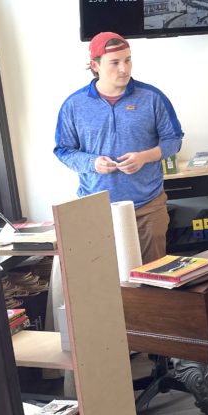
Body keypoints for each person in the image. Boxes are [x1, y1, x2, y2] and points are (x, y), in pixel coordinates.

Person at [55, 32, 183, 263]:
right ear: (95, 65)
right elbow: (63, 150)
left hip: (147, 207)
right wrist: (92, 163)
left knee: (154, 282)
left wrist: (145, 156)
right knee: (107, 284)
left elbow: (174, 140)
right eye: (115, 63)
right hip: (97, 211)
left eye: (128, 60)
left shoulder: (152, 97)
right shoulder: (73, 105)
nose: (124, 68)